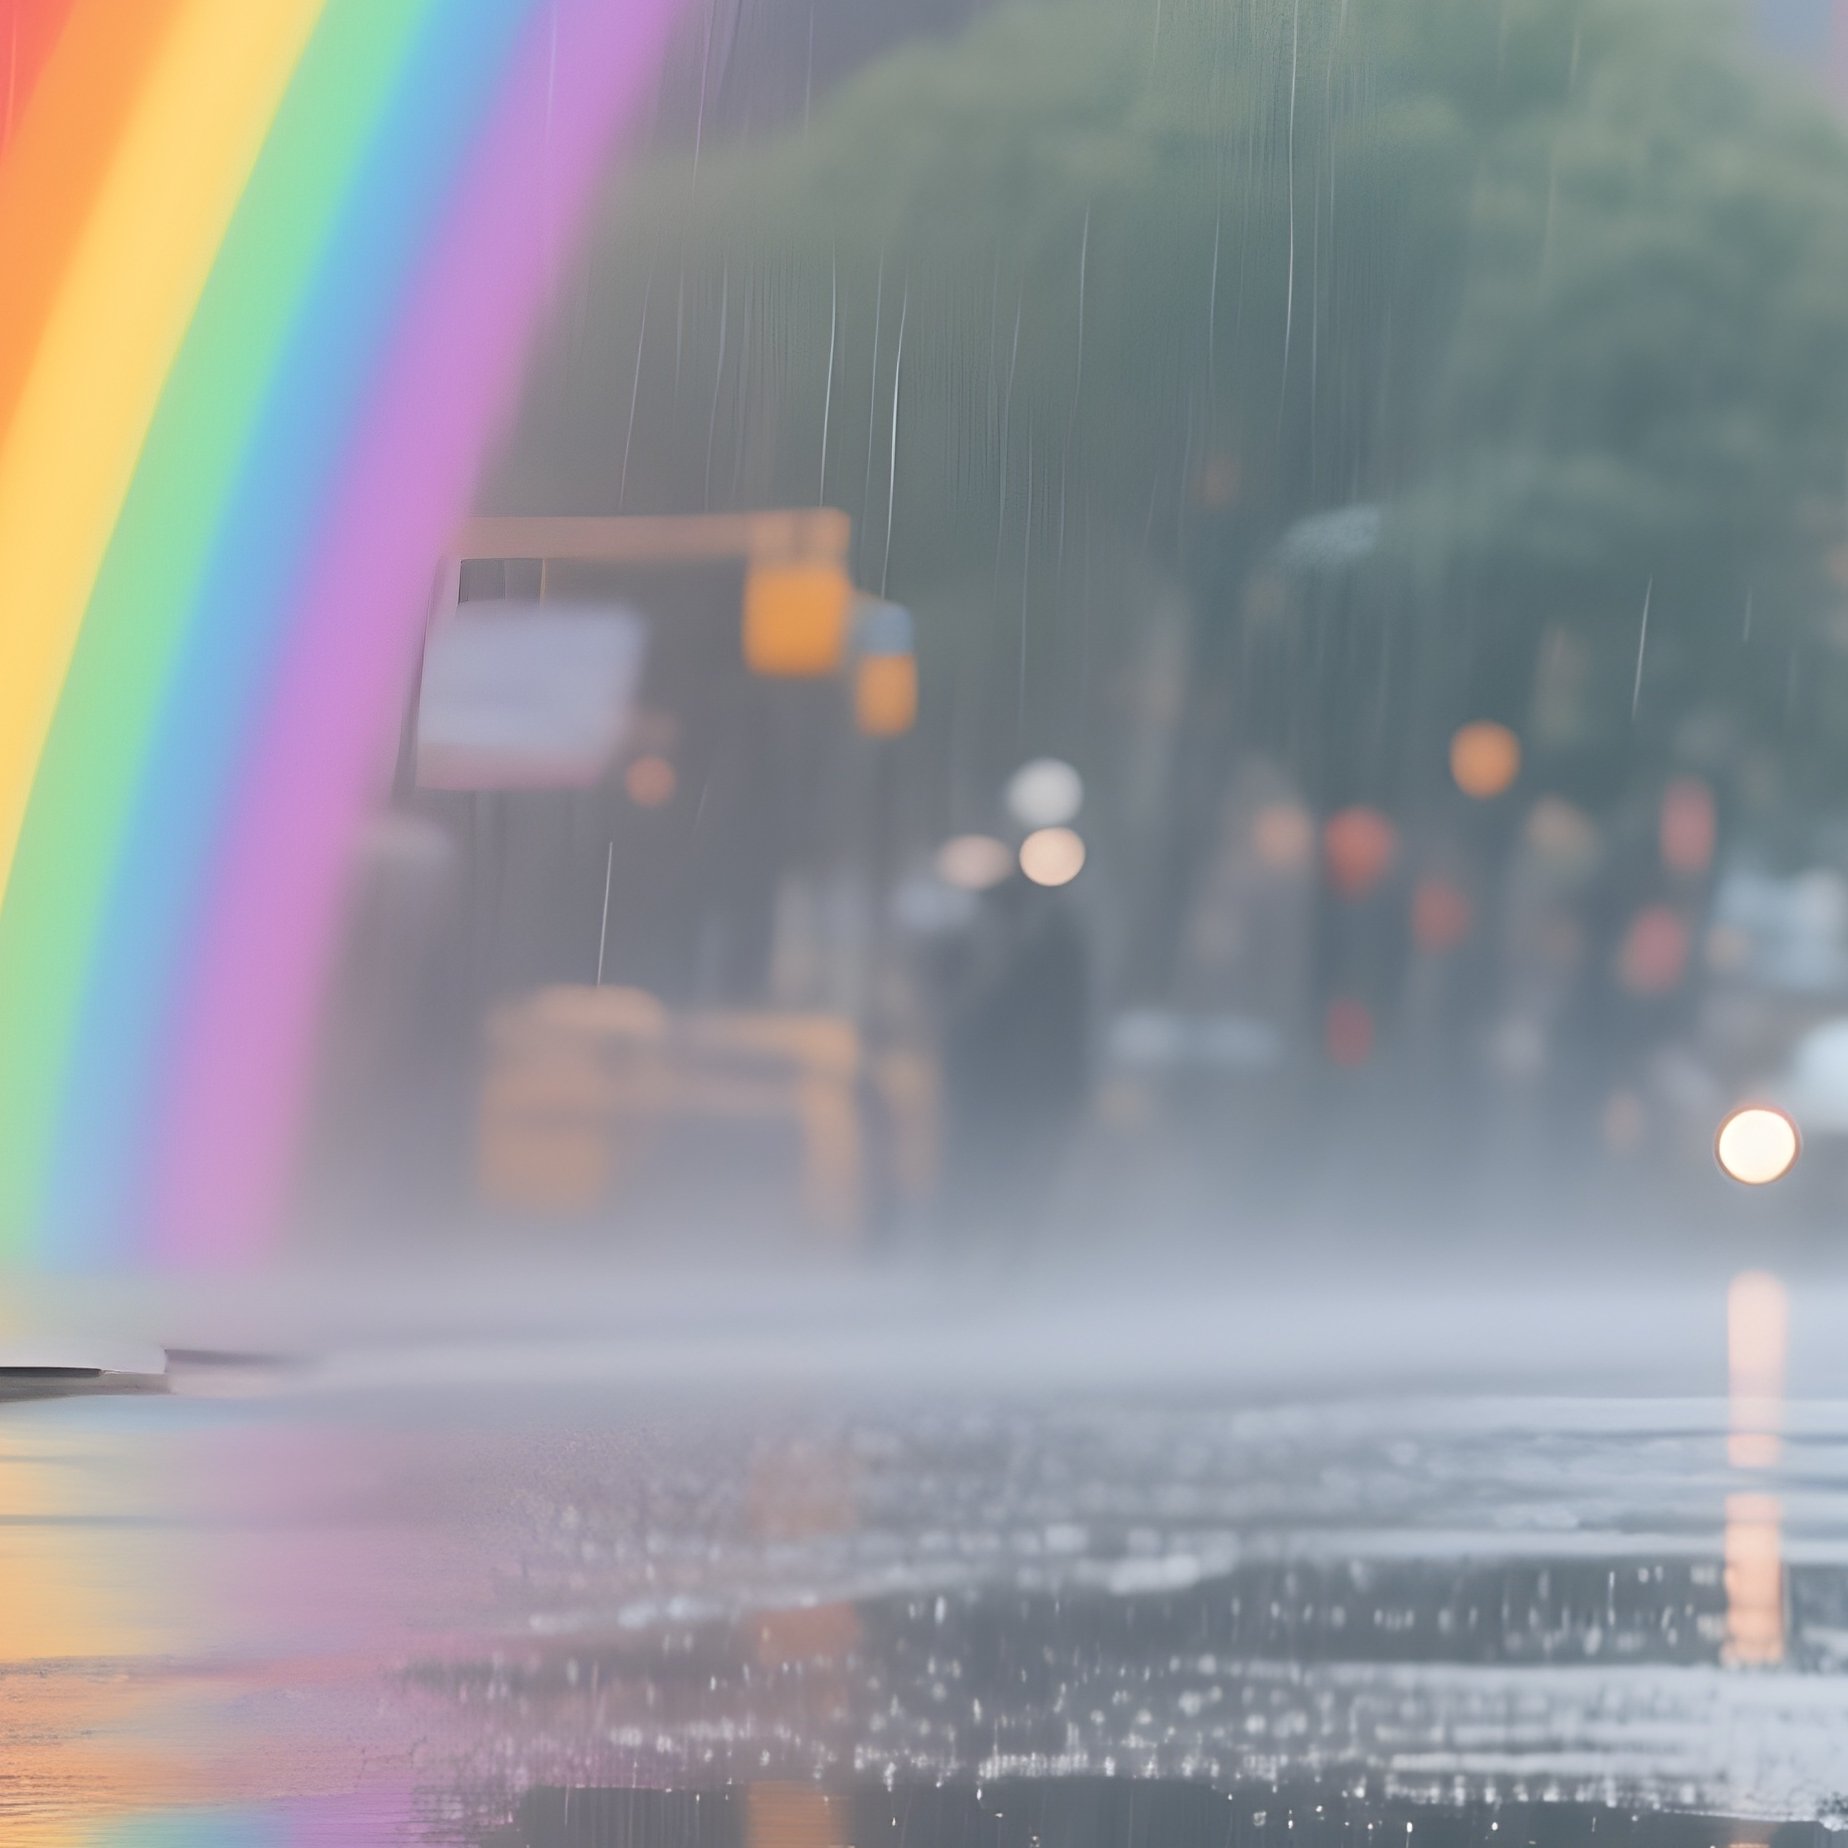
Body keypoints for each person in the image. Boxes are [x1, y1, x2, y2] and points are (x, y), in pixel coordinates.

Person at [934, 868, 1092, 1258]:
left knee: (1020, 1170)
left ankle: (1007, 1256)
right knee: (988, 1166)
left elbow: (1069, 1019)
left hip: (1026, 1084)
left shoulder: (1053, 948)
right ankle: (968, 1251)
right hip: (993, 1085)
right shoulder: (978, 952)